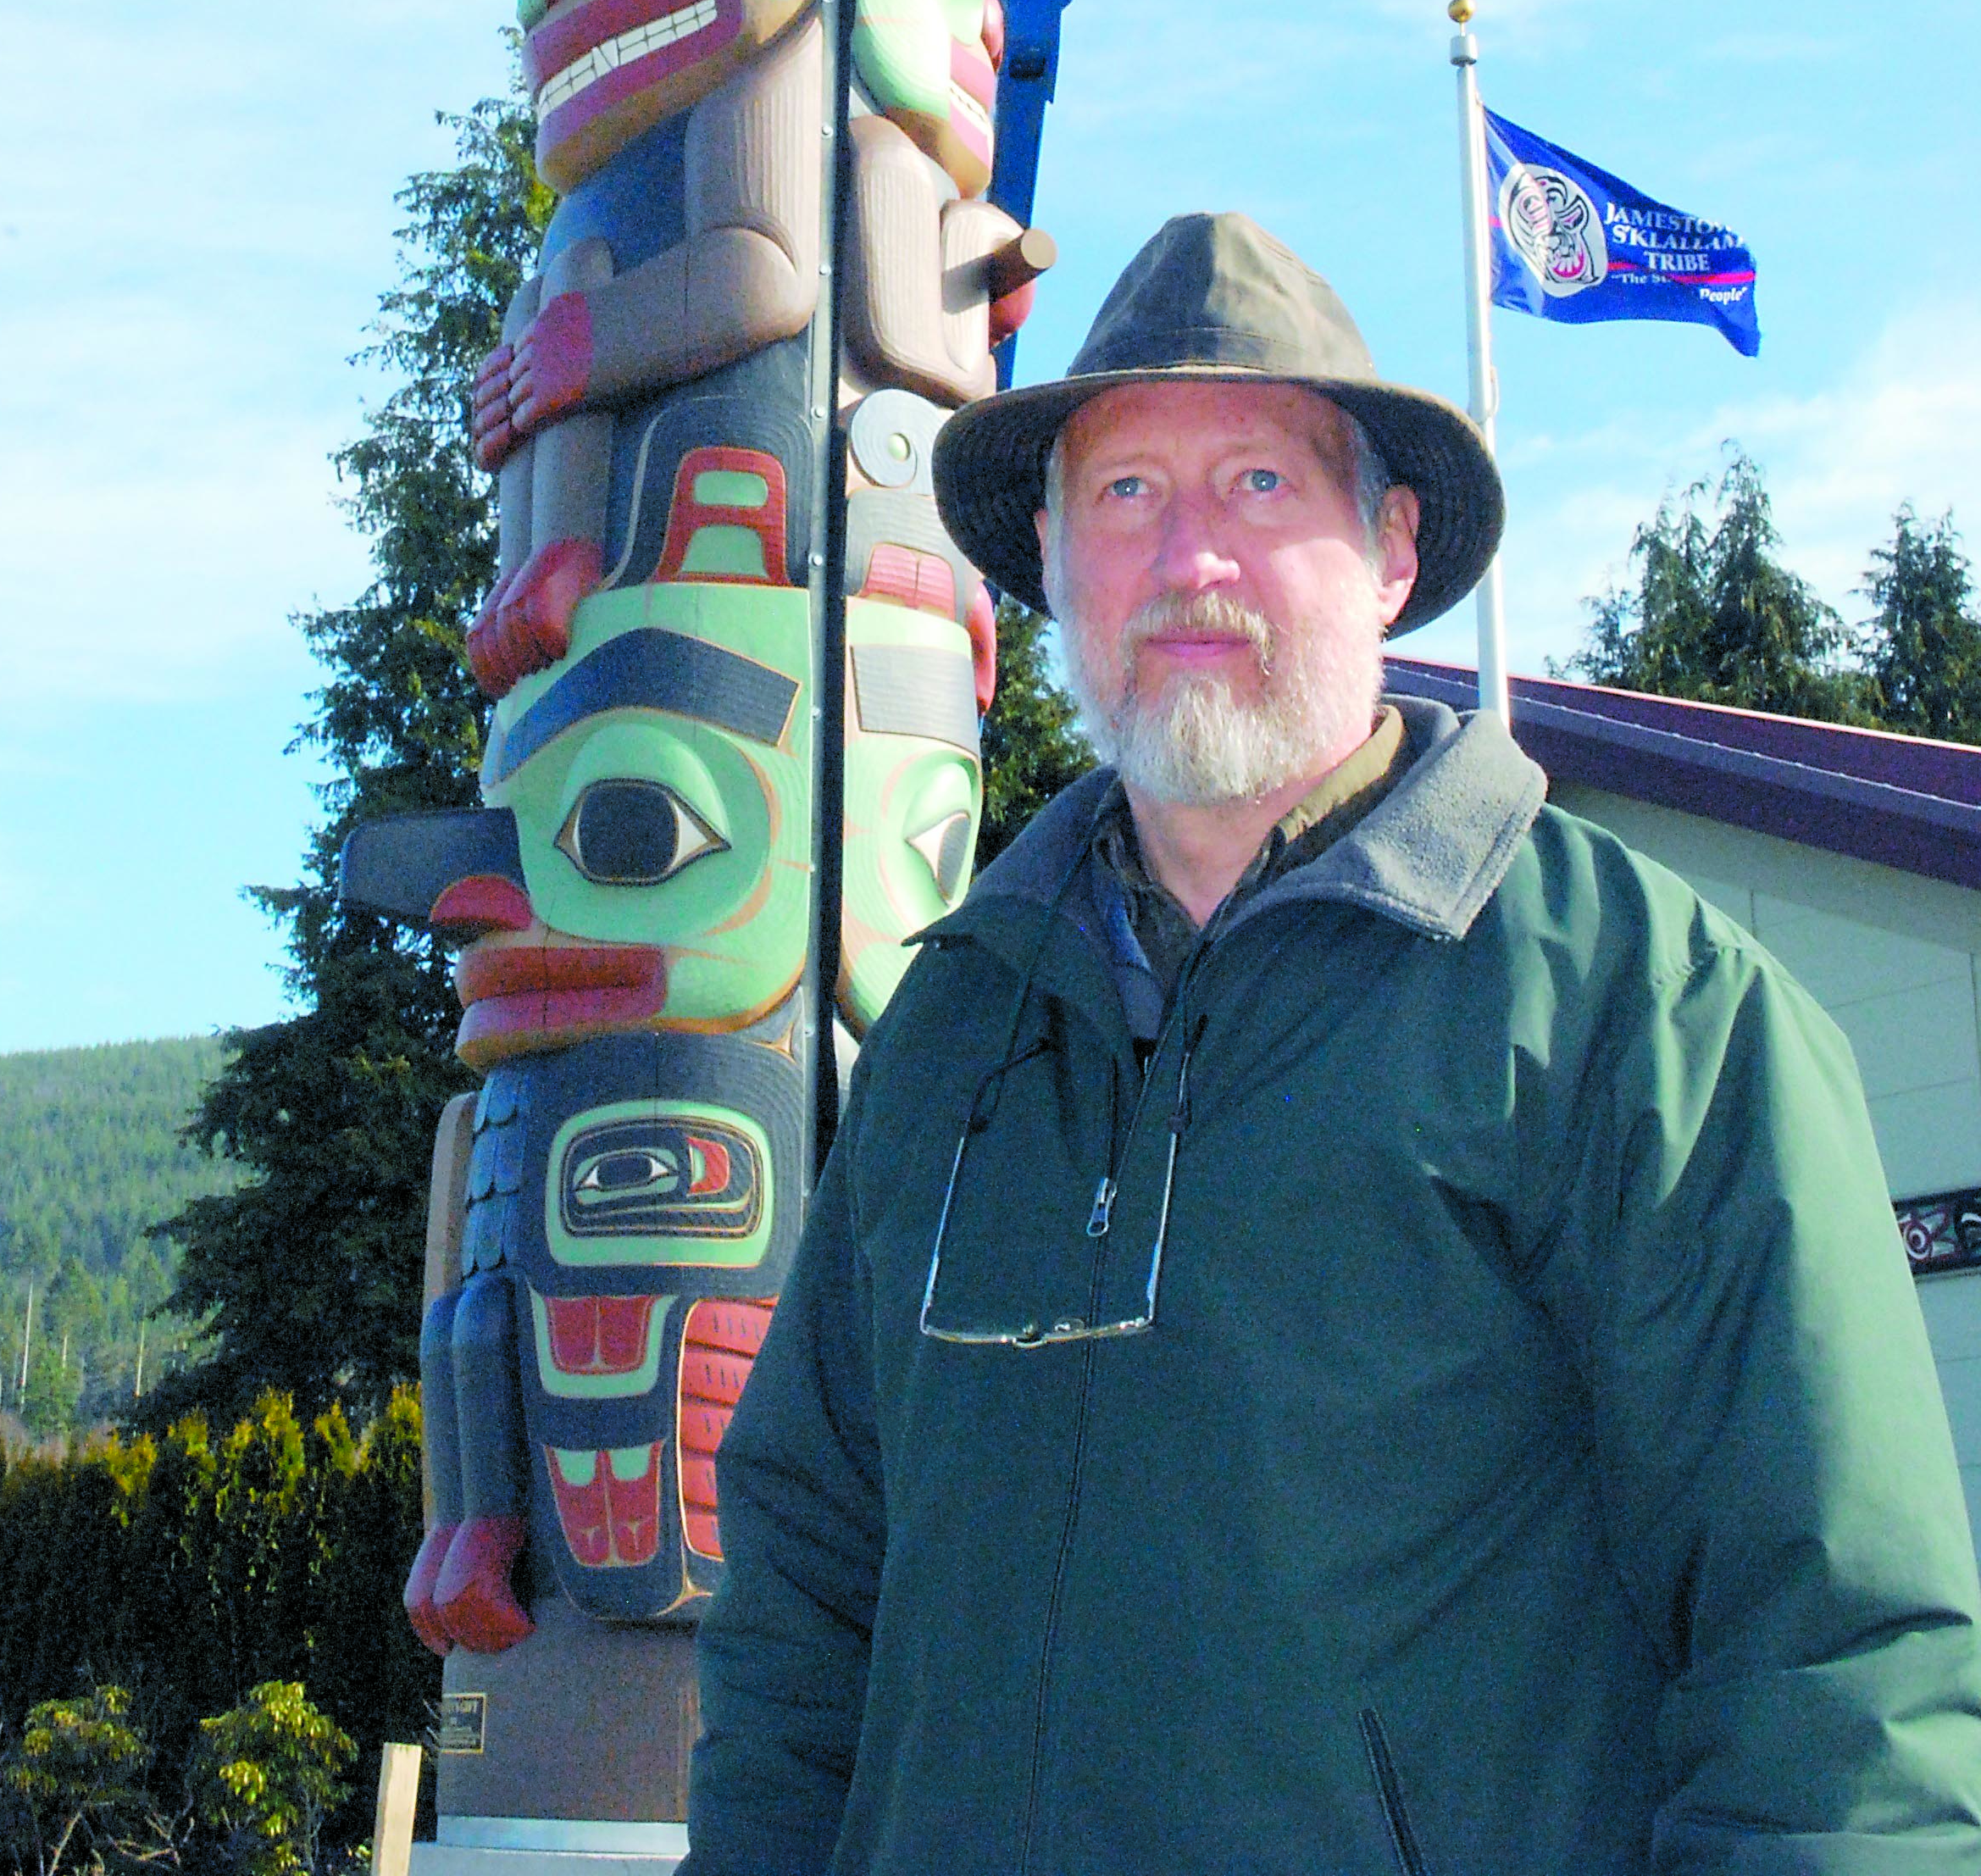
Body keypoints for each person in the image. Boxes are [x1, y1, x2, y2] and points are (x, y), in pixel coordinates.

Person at [682, 212, 1981, 1871]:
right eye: (1128, 494)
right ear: (1061, 562)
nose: (1191, 556)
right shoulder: (949, 1036)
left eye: (1263, 486)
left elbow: (1837, 1675)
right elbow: (803, 1600)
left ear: (1390, 550)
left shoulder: (1644, 1011)